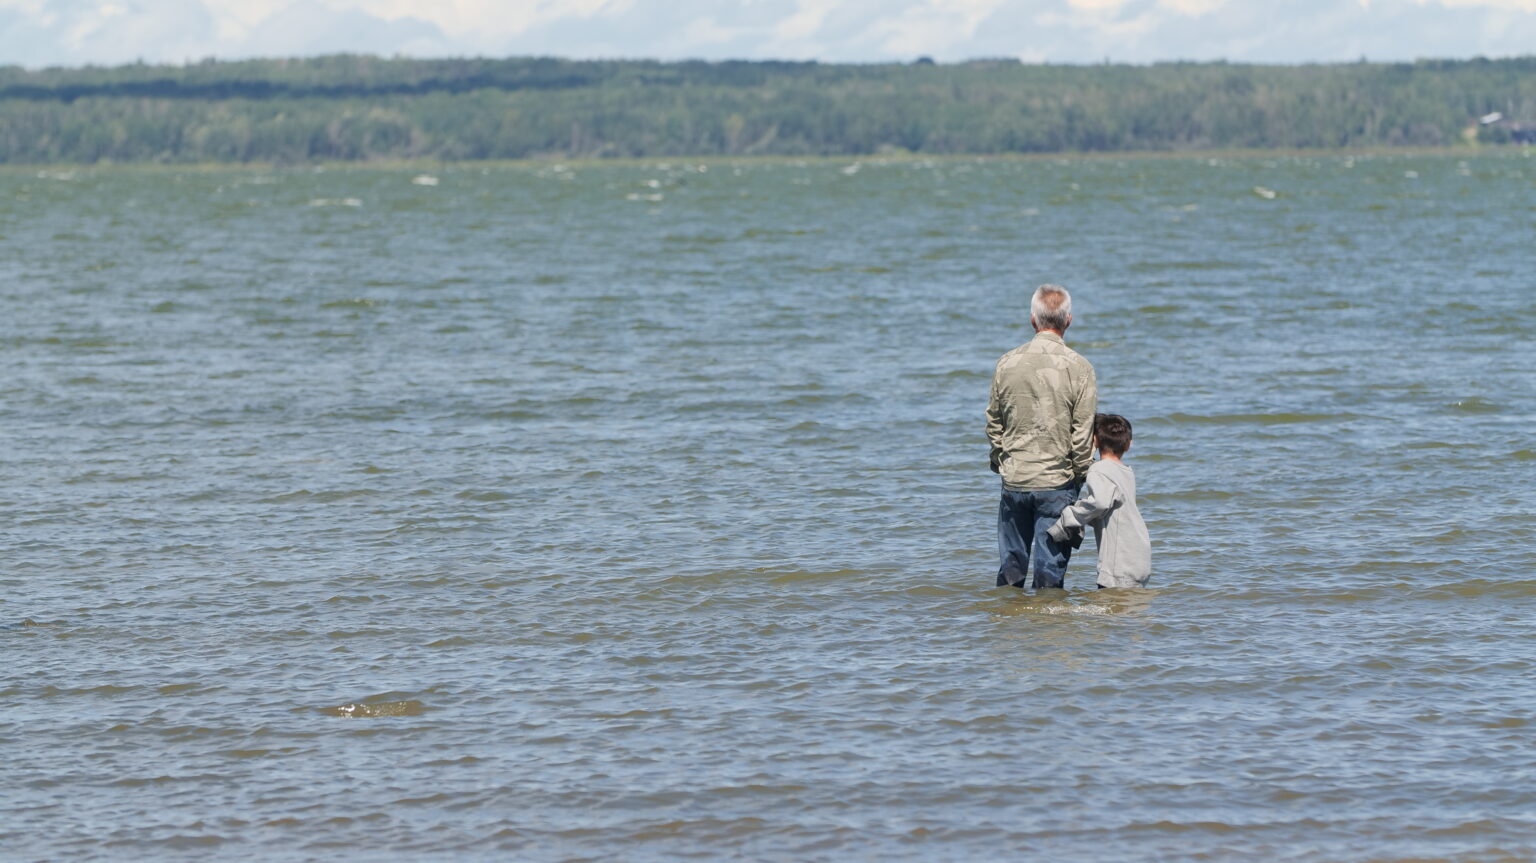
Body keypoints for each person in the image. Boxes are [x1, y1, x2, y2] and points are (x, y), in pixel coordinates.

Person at [986, 284, 1097, 589]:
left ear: (1033, 320)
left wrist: (1002, 462)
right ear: (1069, 320)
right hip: (1057, 483)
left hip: (1015, 480)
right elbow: (1082, 433)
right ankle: (1049, 634)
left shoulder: (1006, 363)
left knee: (1010, 571)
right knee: (1050, 574)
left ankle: (1009, 629)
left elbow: (994, 422)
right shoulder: (1080, 367)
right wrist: (1078, 476)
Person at [1047, 413, 1152, 589]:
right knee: (1131, 611)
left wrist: (1069, 516)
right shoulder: (1126, 471)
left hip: (1120, 561)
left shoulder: (1099, 470)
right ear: (1129, 444)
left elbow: (1100, 503)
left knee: (1112, 609)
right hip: (1139, 551)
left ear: (1095, 441)